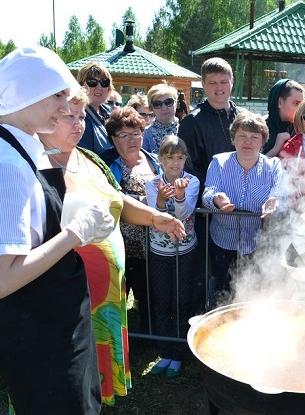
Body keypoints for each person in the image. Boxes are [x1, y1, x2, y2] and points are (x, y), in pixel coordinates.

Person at [38, 89, 186, 405]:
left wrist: (155, 217)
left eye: (81, 116)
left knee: (96, 367)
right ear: (46, 117)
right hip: (65, 294)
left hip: (107, 295)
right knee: (62, 378)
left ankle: (97, 399)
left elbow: (117, 199)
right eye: (69, 116)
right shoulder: (32, 163)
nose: (78, 124)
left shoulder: (89, 159)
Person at [0, 46, 112, 414]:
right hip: (40, 335)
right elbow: (3, 278)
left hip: (57, 323)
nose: (67, 106)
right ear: (24, 92)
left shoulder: (21, 149)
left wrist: (80, 222)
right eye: (58, 95)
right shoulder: (8, 165)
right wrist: (74, 235)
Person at [202, 111, 283, 305]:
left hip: (257, 244)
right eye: (242, 136)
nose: (248, 142)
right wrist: (217, 199)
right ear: (233, 139)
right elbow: (207, 194)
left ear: (263, 141)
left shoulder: (273, 166)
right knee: (223, 292)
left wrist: (275, 201)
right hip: (223, 243)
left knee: (253, 294)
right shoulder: (219, 162)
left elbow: (280, 192)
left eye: (254, 137)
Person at [103, 107, 163, 333]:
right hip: (120, 243)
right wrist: (143, 199)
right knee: (117, 295)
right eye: (124, 135)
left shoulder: (154, 160)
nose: (132, 140)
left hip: (151, 243)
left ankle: (148, 336)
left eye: (136, 133)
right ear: (113, 138)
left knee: (148, 292)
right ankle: (114, 339)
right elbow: (108, 197)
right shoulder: (106, 163)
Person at [145, 135, 200, 378]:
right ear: (160, 160)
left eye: (180, 158)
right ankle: (165, 351)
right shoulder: (152, 183)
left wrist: (178, 196)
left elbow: (185, 213)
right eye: (169, 158)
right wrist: (159, 199)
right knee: (161, 300)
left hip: (185, 251)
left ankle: (178, 354)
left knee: (181, 300)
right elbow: (153, 217)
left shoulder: (192, 181)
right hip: (159, 251)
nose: (175, 163)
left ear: (185, 159)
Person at [178, 57, 242, 188]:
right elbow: (188, 168)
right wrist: (213, 193)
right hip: (208, 198)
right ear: (203, 83)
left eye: (224, 81)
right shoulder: (191, 123)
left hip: (245, 195)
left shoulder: (244, 117)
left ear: (232, 82)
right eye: (213, 82)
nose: (219, 87)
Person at [77, 61, 114, 154]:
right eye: (92, 82)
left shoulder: (110, 112)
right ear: (81, 86)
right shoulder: (77, 116)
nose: (99, 87)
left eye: (104, 82)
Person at [263, 78, 305, 156]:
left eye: (302, 105)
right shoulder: (260, 129)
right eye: (296, 103)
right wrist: (276, 149)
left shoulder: (303, 129)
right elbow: (252, 166)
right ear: (280, 102)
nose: (300, 109)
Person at [142, 82, 180, 154]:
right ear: (151, 108)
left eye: (168, 102)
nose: (164, 108)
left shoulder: (187, 129)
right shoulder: (145, 134)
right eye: (157, 104)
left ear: (176, 103)